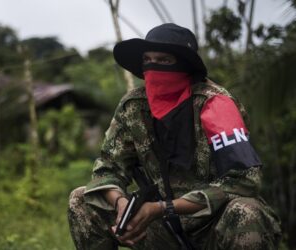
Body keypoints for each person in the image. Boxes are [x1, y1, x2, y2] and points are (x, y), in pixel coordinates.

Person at [68, 23, 281, 250]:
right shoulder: (134, 107)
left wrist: (165, 207)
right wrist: (121, 205)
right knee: (81, 200)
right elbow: (107, 169)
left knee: (246, 211)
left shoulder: (215, 104)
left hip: (213, 225)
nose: (154, 67)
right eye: (148, 60)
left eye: (164, 61)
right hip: (159, 227)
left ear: (185, 65)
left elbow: (244, 180)